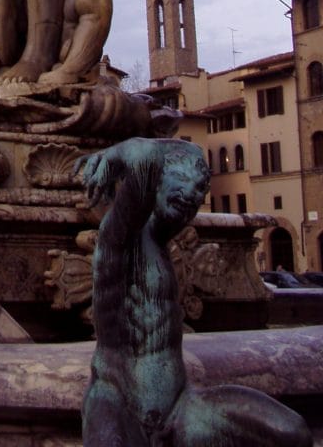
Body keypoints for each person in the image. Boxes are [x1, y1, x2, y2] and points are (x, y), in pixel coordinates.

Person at [76, 138, 311, 446]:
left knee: (292, 433)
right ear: (155, 188)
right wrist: (116, 152)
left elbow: (164, 160)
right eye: (183, 183)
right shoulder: (118, 236)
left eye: (200, 188)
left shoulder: (159, 242)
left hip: (179, 407)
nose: (194, 195)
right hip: (117, 403)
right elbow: (145, 160)